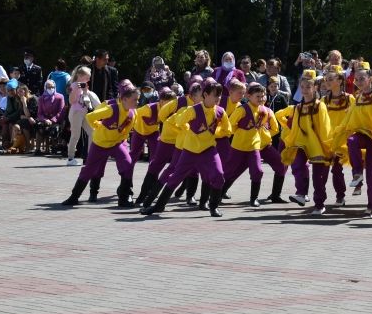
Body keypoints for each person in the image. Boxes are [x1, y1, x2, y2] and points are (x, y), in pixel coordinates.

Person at [140, 80, 227, 217]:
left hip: (209, 150)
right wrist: (187, 129)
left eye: (220, 95)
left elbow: (227, 130)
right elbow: (176, 122)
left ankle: (213, 206)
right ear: (206, 94)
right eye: (216, 95)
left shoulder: (221, 112)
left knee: (219, 176)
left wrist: (213, 132)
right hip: (190, 150)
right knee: (175, 178)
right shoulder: (192, 110)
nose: (218, 98)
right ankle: (158, 206)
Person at [62, 79, 142, 208]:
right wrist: (98, 126)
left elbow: (129, 129)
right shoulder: (111, 108)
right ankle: (74, 197)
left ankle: (124, 198)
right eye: (135, 100)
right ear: (124, 99)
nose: (137, 102)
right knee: (89, 170)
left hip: (117, 144)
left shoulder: (133, 113)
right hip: (100, 144)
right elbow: (89, 117)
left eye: (138, 99)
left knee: (127, 165)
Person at [330, 64, 372, 218]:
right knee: (351, 140)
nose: (358, 81)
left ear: (370, 79)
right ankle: (357, 173)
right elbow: (349, 117)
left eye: (362, 78)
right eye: (357, 79)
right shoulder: (358, 97)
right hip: (361, 134)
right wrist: (340, 130)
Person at [274, 70, 334, 215]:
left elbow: (325, 127)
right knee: (298, 164)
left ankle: (319, 204)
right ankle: (301, 193)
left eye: (308, 87)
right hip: (301, 143)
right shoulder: (298, 108)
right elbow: (293, 127)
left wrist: (329, 147)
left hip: (317, 144)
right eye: (303, 87)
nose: (305, 90)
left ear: (315, 88)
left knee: (318, 177)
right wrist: (289, 138)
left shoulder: (320, 106)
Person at [221, 82, 288, 207]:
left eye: (263, 96)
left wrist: (264, 135)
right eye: (258, 96)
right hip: (241, 147)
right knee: (232, 171)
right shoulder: (242, 109)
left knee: (276, 166)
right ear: (249, 96)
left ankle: (272, 195)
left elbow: (275, 129)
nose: (261, 98)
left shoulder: (266, 111)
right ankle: (219, 194)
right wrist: (241, 133)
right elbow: (230, 125)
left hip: (261, 146)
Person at [322, 69, 355, 207]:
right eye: (326, 79)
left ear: (340, 81)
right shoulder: (324, 100)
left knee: (336, 169)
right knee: (322, 170)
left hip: (343, 139)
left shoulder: (349, 98)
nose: (327, 82)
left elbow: (355, 117)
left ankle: (340, 196)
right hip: (327, 139)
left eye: (331, 79)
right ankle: (319, 197)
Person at [66, 65, 98, 165]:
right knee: (76, 135)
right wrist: (77, 90)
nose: (89, 79)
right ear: (80, 75)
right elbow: (71, 101)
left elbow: (86, 99)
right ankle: (70, 158)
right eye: (87, 77)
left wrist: (85, 91)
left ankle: (90, 156)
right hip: (76, 113)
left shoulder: (83, 85)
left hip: (83, 112)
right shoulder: (74, 85)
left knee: (92, 132)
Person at [36, 79, 64, 154]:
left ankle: (53, 148)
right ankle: (38, 149)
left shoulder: (60, 97)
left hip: (56, 120)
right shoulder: (41, 98)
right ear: (45, 87)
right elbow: (39, 113)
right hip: (45, 120)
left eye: (52, 87)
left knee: (54, 129)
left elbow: (60, 111)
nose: (51, 88)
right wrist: (45, 120)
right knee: (39, 127)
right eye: (48, 87)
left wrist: (52, 120)